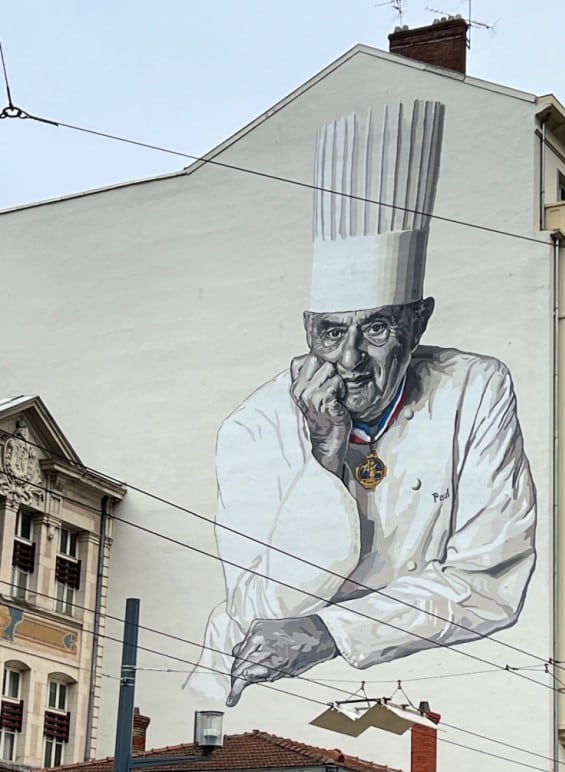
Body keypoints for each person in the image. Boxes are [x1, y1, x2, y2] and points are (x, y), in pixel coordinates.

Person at [184, 100, 537, 707]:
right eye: (329, 332)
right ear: (306, 328)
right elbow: (266, 606)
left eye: (375, 329)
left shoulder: (476, 388)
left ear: (417, 322)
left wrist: (331, 631)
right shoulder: (254, 426)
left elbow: (490, 581)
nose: (348, 360)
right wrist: (323, 459)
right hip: (251, 687)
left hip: (421, 687)